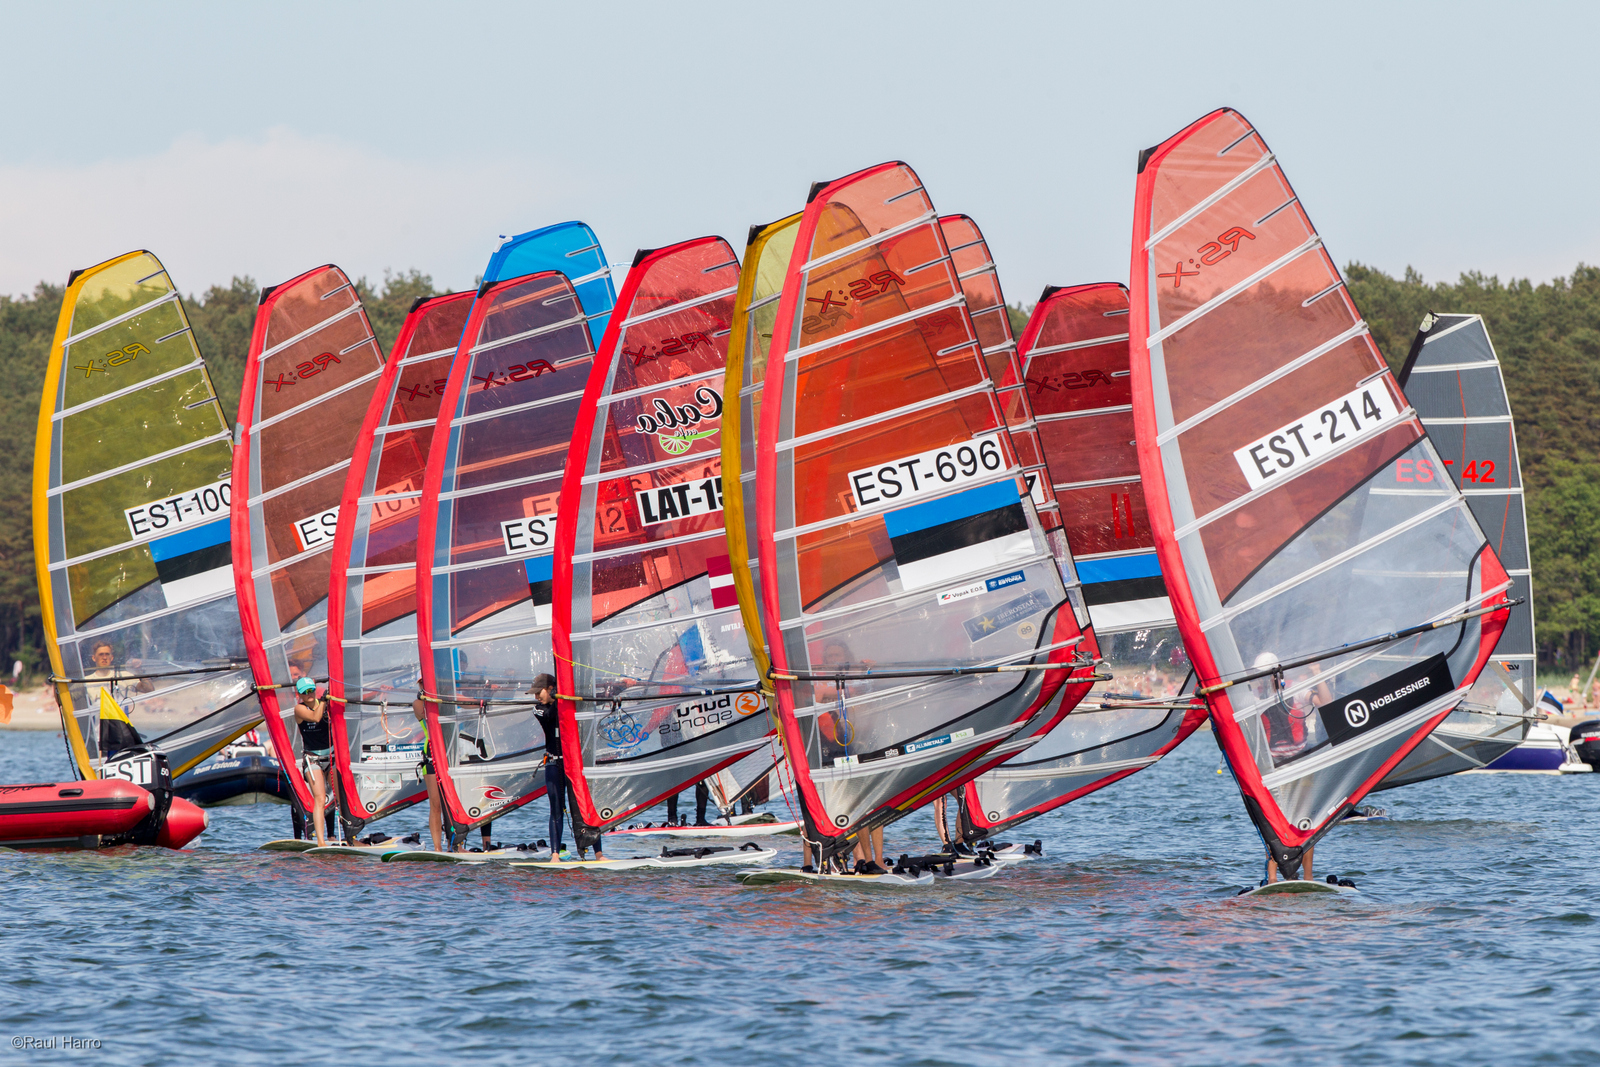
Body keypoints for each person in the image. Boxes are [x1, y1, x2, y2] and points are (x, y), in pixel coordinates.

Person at [531, 674, 604, 861]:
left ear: (550, 688)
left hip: (574, 763)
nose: (536, 697)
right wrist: (558, 697)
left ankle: (599, 854)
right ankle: (555, 855)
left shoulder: (568, 703)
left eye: (538, 692)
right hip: (554, 764)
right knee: (556, 810)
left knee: (584, 806)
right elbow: (550, 715)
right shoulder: (538, 709)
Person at [293, 676, 339, 847]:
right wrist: (325, 702)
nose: (309, 694)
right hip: (313, 760)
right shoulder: (300, 709)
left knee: (341, 796)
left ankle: (349, 837)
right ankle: (321, 842)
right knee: (320, 799)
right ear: (300, 695)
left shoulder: (324, 703)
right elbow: (315, 718)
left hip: (331, 757)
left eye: (311, 690)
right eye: (305, 692)